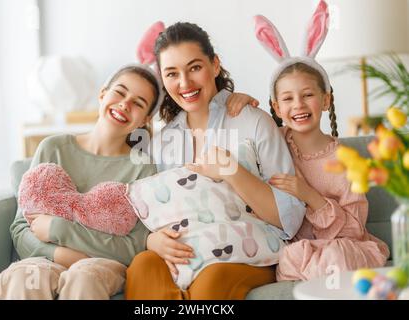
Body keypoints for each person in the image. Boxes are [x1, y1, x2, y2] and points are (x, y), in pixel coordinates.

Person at [124, 21, 306, 300]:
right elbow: (155, 211)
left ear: (215, 65)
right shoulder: (163, 142)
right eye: (172, 73)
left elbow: (290, 218)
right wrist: (152, 239)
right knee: (143, 266)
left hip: (248, 251)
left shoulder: (253, 122)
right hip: (188, 251)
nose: (184, 83)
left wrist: (231, 171)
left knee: (211, 282)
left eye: (195, 67)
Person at [0, 64, 161, 299]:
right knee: (23, 277)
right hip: (43, 259)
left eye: (138, 103)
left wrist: (60, 229)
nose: (125, 104)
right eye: (120, 92)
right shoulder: (53, 148)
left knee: (84, 278)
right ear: (102, 94)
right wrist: (62, 254)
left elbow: (135, 245)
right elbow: (21, 228)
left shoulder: (142, 167)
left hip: (101, 266)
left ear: (145, 120)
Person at [253, 0, 389, 281]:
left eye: (308, 95)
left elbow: (353, 231)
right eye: (288, 98)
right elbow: (240, 130)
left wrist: (309, 196)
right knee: (291, 257)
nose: (298, 105)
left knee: (335, 258)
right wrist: (239, 99)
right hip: (300, 252)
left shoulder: (347, 161)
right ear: (277, 108)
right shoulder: (271, 142)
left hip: (344, 248)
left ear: (325, 100)